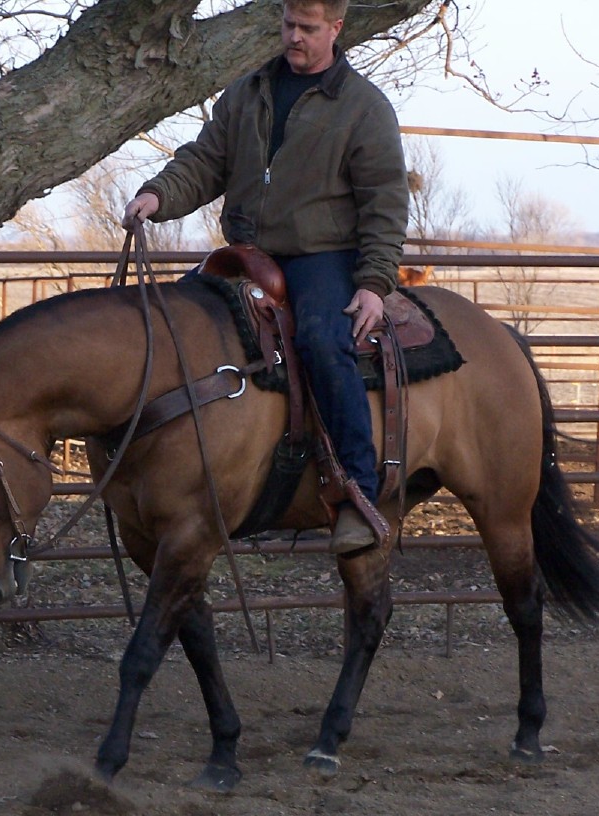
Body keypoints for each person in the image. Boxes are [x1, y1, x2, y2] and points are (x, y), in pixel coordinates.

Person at [122, 0, 408, 552]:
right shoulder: (247, 92)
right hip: (245, 251)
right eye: (288, 25)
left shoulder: (363, 107)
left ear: (336, 29)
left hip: (320, 256)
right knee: (179, 330)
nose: (294, 37)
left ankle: (358, 494)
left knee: (327, 341)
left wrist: (373, 284)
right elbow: (205, 162)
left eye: (307, 28)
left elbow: (385, 203)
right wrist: (158, 195)